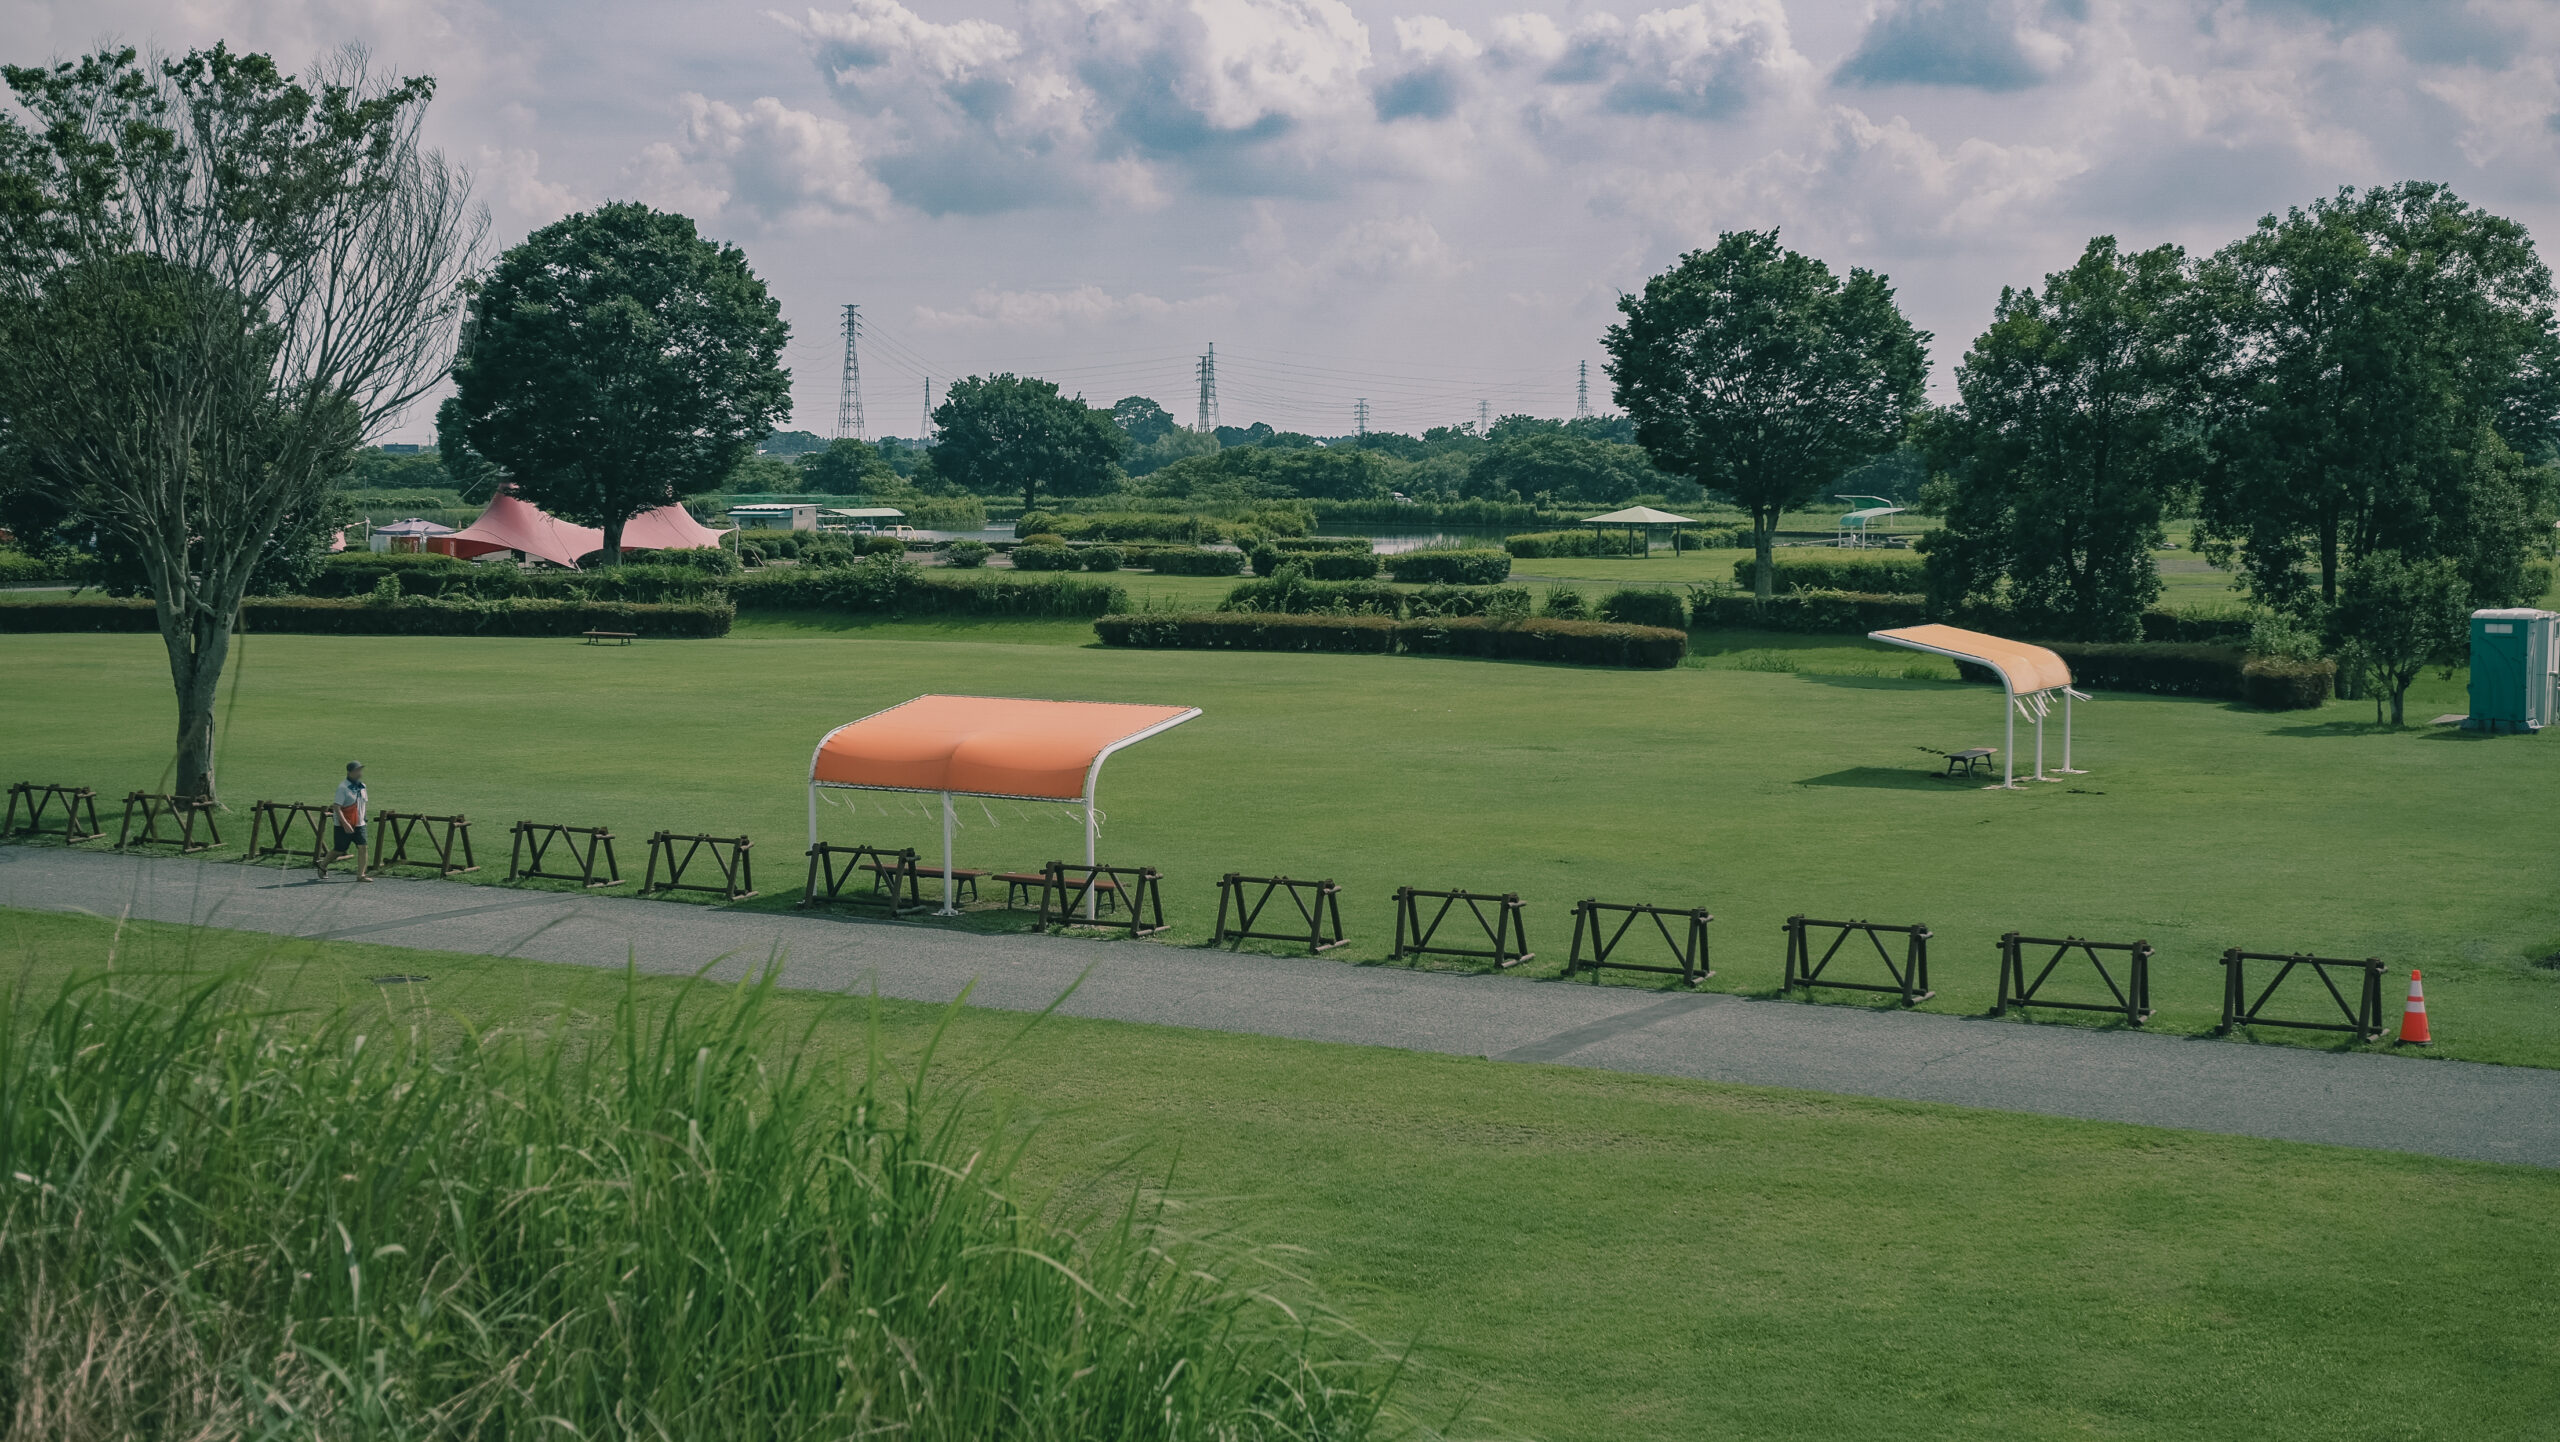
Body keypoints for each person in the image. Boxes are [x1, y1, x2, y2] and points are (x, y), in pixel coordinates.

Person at [327, 760, 372, 881]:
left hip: (359, 824)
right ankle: (323, 864)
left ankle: (361, 875)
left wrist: (364, 818)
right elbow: (337, 807)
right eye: (357, 770)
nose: (359, 773)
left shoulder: (362, 787)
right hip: (343, 824)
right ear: (350, 772)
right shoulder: (343, 788)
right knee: (339, 850)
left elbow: (363, 804)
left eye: (360, 770)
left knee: (363, 847)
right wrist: (345, 824)